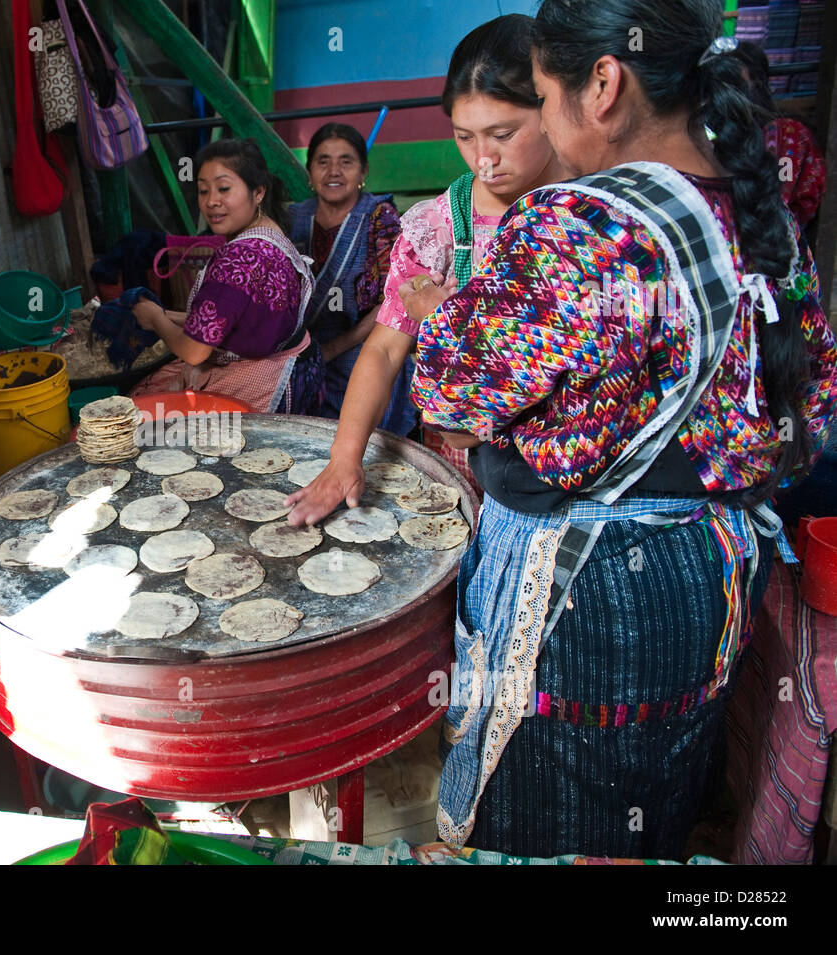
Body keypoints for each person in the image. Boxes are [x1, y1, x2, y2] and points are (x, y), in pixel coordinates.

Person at [314, 0, 837, 859]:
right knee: (648, 798)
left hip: (588, 597)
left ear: (604, 85)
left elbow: (452, 389)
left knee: (541, 819)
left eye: (545, 101)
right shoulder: (754, 209)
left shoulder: (581, 225)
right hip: (710, 575)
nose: (544, 134)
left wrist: (449, 313)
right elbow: (806, 407)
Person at [288, 13, 565, 509]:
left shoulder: (592, 212)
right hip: (467, 462)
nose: (484, 158)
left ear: (553, 105)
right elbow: (385, 350)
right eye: (465, 136)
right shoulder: (438, 229)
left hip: (570, 464)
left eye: (503, 134)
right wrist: (345, 459)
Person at [130, 139, 323, 415]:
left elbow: (195, 352)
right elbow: (237, 318)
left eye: (224, 188)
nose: (211, 202)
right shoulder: (271, 235)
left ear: (258, 192)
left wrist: (156, 319)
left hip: (265, 381)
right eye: (203, 190)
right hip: (299, 367)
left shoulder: (237, 261)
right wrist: (168, 314)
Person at [288, 123, 408, 430]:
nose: (334, 172)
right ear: (309, 171)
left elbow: (392, 303)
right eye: (323, 161)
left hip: (364, 341)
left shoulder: (380, 218)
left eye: (346, 161)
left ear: (363, 171)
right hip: (302, 344)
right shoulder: (293, 218)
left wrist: (333, 349)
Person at [726, 40, 827, 230]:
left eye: (731, 79)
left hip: (772, 238)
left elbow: (781, 198)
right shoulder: (714, 131)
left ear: (755, 82)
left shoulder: (787, 135)